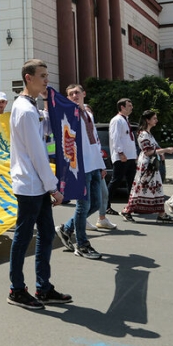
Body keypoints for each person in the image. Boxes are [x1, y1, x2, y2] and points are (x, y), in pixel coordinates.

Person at [7, 59, 72, 309]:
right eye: (42, 76)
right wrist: (53, 187)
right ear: (28, 78)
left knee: (45, 235)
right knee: (23, 238)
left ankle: (43, 287)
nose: (47, 80)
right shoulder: (24, 110)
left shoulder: (30, 108)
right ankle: (16, 289)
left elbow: (44, 136)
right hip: (31, 184)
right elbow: (36, 153)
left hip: (38, 184)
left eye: (47, 75)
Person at [55, 84, 106, 259]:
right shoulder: (69, 115)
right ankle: (82, 245)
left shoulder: (89, 114)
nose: (74, 95)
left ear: (84, 94)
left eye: (77, 92)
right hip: (80, 167)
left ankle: (67, 228)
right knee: (82, 206)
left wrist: (102, 164)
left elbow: (96, 141)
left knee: (96, 204)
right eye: (70, 94)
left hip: (94, 165)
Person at [122, 110, 173, 223]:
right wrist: (166, 150)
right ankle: (127, 210)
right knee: (141, 188)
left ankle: (161, 213)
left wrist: (161, 153)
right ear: (148, 120)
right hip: (147, 166)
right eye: (154, 118)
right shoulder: (143, 134)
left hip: (152, 165)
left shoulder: (148, 134)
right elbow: (148, 151)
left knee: (156, 188)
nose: (156, 120)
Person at [106, 98, 137, 217]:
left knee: (131, 182)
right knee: (116, 181)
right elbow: (115, 138)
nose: (131, 107)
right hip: (122, 157)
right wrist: (120, 152)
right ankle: (106, 205)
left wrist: (133, 155)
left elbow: (128, 139)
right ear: (122, 107)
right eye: (129, 105)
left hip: (129, 157)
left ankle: (131, 206)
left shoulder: (125, 120)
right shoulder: (117, 120)